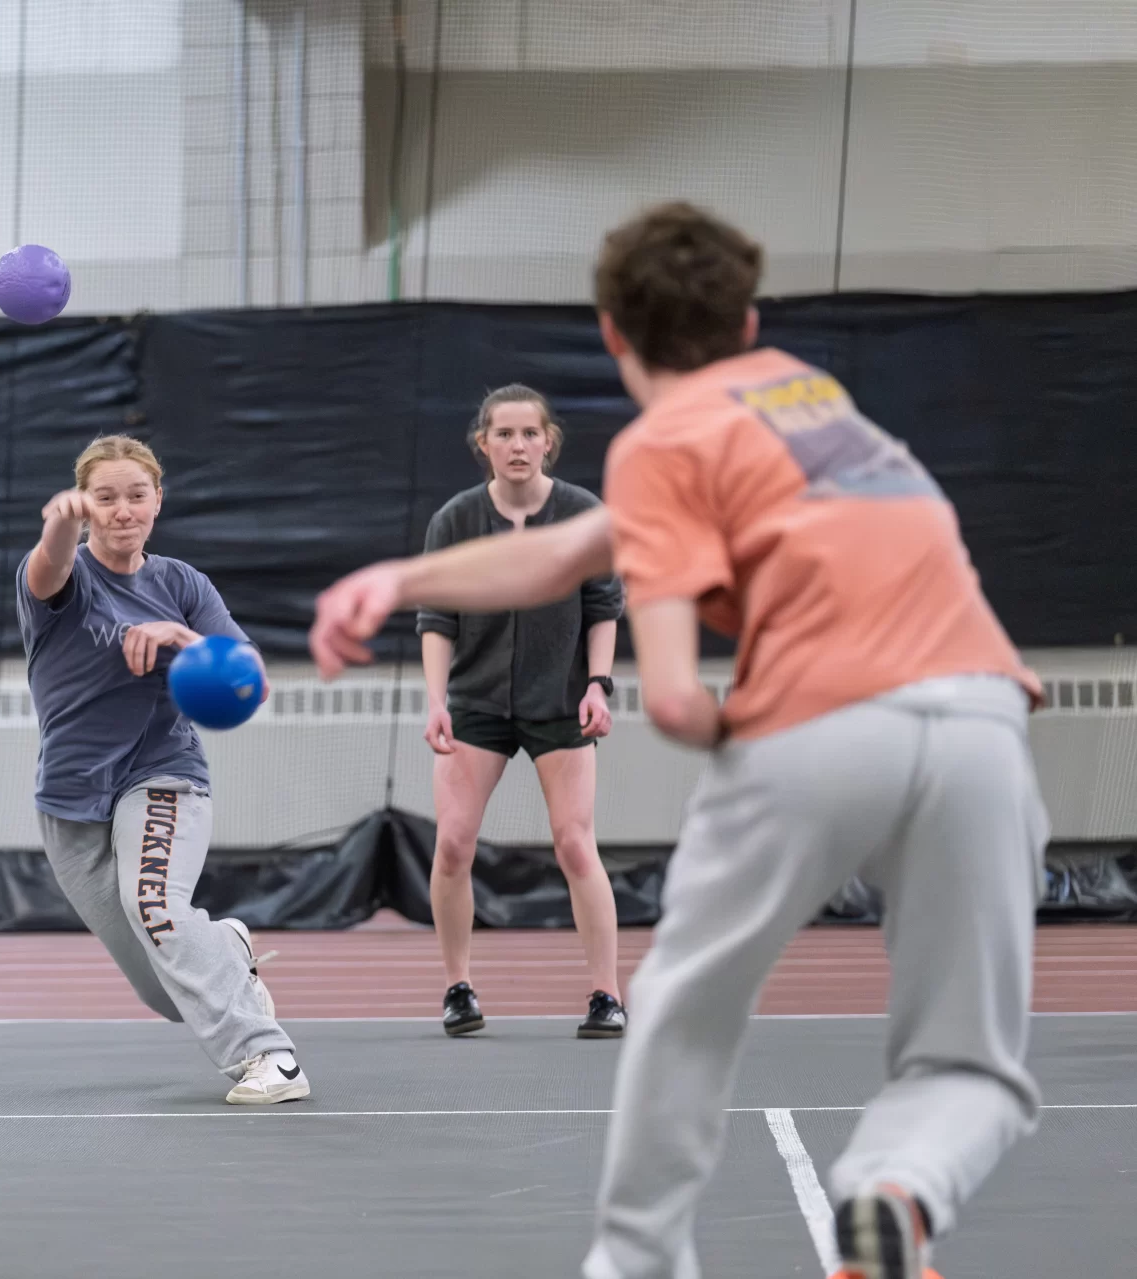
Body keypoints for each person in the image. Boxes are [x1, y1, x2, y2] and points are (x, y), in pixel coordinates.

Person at [310, 201, 1045, 1279]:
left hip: (820, 719)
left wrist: (726, 727)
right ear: (746, 323)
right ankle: (895, 1191)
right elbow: (571, 550)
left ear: (611, 331)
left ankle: (637, 1260)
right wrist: (409, 578)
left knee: (683, 1012)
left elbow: (677, 696)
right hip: (981, 715)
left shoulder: (659, 447)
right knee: (970, 1061)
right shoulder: (809, 398)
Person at [19, 435, 308, 1105]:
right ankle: (225, 947)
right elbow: (48, 563)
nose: (123, 510)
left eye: (136, 495)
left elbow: (253, 678)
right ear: (87, 506)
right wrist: (59, 521)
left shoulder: (181, 584)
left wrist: (182, 637)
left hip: (161, 771)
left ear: (158, 499)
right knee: (174, 991)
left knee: (153, 904)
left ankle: (270, 1056)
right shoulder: (61, 577)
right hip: (68, 798)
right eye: (105, 497)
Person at [417, 384, 625, 1039]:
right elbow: (435, 615)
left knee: (573, 842)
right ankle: (458, 987)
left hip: (559, 702)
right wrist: (434, 700)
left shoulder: (581, 512)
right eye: (502, 433)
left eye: (527, 433)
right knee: (452, 843)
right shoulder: (454, 518)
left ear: (547, 441)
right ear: (483, 443)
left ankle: (605, 994)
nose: (516, 444)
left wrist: (597, 685)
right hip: (476, 702)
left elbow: (603, 608)